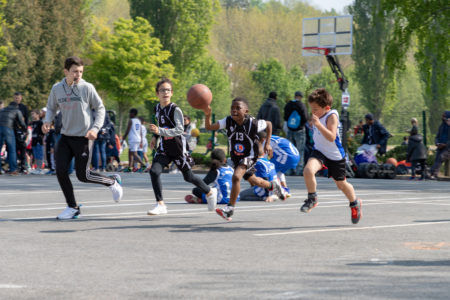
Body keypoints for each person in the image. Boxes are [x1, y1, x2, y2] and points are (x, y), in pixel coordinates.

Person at [42, 56, 123, 220]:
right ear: (66, 71)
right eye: (74, 72)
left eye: (80, 71)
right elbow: (51, 108)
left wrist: (95, 128)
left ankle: (112, 182)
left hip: (84, 137)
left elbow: (100, 108)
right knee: (60, 171)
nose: (78, 75)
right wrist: (47, 121)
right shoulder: (57, 88)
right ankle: (72, 207)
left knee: (83, 175)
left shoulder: (87, 88)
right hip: (65, 136)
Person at [204, 97, 287, 221]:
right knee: (254, 181)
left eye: (238, 108)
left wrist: (268, 144)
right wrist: (208, 114)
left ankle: (230, 209)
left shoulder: (253, 123)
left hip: (250, 155)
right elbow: (209, 126)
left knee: (236, 177)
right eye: (232, 108)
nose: (234, 110)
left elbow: (269, 124)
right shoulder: (228, 121)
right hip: (237, 157)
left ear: (246, 111)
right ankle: (272, 185)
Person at [147, 77, 217, 215]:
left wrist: (159, 131)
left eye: (168, 90)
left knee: (188, 177)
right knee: (154, 171)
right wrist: (155, 137)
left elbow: (179, 130)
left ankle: (209, 192)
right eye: (162, 90)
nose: (165, 92)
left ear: (172, 93)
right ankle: (160, 204)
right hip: (164, 148)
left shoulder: (175, 109)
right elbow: (160, 126)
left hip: (178, 148)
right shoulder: (157, 108)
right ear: (157, 93)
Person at [300, 88, 362, 224]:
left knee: (341, 184)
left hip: (334, 155)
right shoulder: (318, 115)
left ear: (326, 107)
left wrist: (317, 124)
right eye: (311, 109)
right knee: (308, 171)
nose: (313, 112)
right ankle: (312, 198)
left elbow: (331, 137)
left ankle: (355, 203)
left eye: (315, 109)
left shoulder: (332, 116)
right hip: (319, 152)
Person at [239, 132, 279, 202]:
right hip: (274, 188)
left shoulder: (258, 163)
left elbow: (265, 180)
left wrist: (269, 195)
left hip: (265, 190)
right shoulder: (267, 161)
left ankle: (264, 197)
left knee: (240, 196)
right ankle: (273, 194)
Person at [283, 91, 308, 175]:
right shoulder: (301, 105)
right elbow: (305, 117)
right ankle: (299, 170)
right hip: (300, 131)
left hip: (290, 130)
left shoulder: (288, 105)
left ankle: (289, 170)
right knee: (300, 150)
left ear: (295, 96)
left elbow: (285, 117)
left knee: (289, 150)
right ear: (300, 97)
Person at [0, 101, 27, 175]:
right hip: (8, 128)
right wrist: (25, 130)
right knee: (12, 150)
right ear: (16, 106)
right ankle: (13, 170)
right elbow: (21, 122)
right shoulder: (17, 110)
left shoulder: (2, 110)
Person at [121, 108, 145, 172]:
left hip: (133, 139)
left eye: (130, 113)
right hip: (138, 139)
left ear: (133, 114)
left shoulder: (131, 120)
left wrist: (123, 139)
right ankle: (129, 168)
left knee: (134, 153)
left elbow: (127, 131)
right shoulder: (138, 121)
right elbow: (140, 132)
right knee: (130, 153)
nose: (129, 114)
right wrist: (141, 141)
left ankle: (143, 165)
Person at [429, 111, 450, 180]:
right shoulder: (441, 126)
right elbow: (437, 136)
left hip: (447, 148)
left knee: (441, 157)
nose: (443, 117)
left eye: (444, 116)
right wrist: (437, 143)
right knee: (437, 158)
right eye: (443, 116)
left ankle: (432, 174)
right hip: (440, 146)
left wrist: (445, 144)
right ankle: (432, 174)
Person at [30, 109, 45, 174]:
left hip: (38, 141)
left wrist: (41, 139)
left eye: (34, 114)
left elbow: (43, 133)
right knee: (35, 155)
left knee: (39, 155)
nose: (32, 115)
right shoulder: (32, 122)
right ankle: (37, 168)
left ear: (38, 115)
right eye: (32, 114)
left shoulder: (40, 122)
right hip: (33, 140)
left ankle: (40, 168)